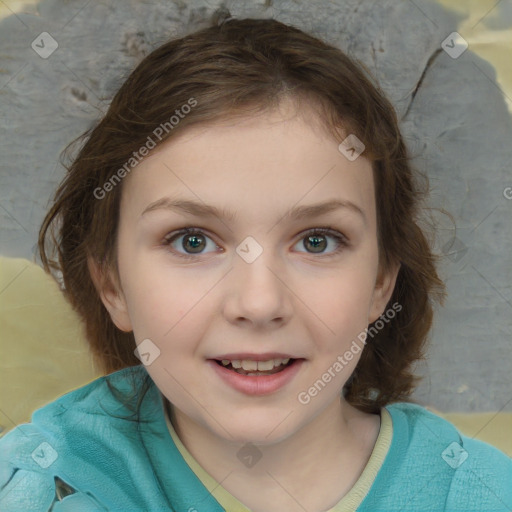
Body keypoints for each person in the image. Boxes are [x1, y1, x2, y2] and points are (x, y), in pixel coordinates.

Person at [1, 12, 510, 512]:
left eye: (316, 241)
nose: (260, 302)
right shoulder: (41, 487)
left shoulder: (483, 493)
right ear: (111, 285)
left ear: (381, 280)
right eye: (193, 242)